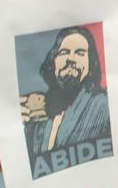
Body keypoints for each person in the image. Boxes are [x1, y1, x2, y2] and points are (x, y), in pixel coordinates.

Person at [24, 26, 112, 177]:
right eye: (64, 52)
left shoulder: (104, 105)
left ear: (90, 63)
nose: (71, 59)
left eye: (80, 53)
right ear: (53, 61)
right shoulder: (37, 113)